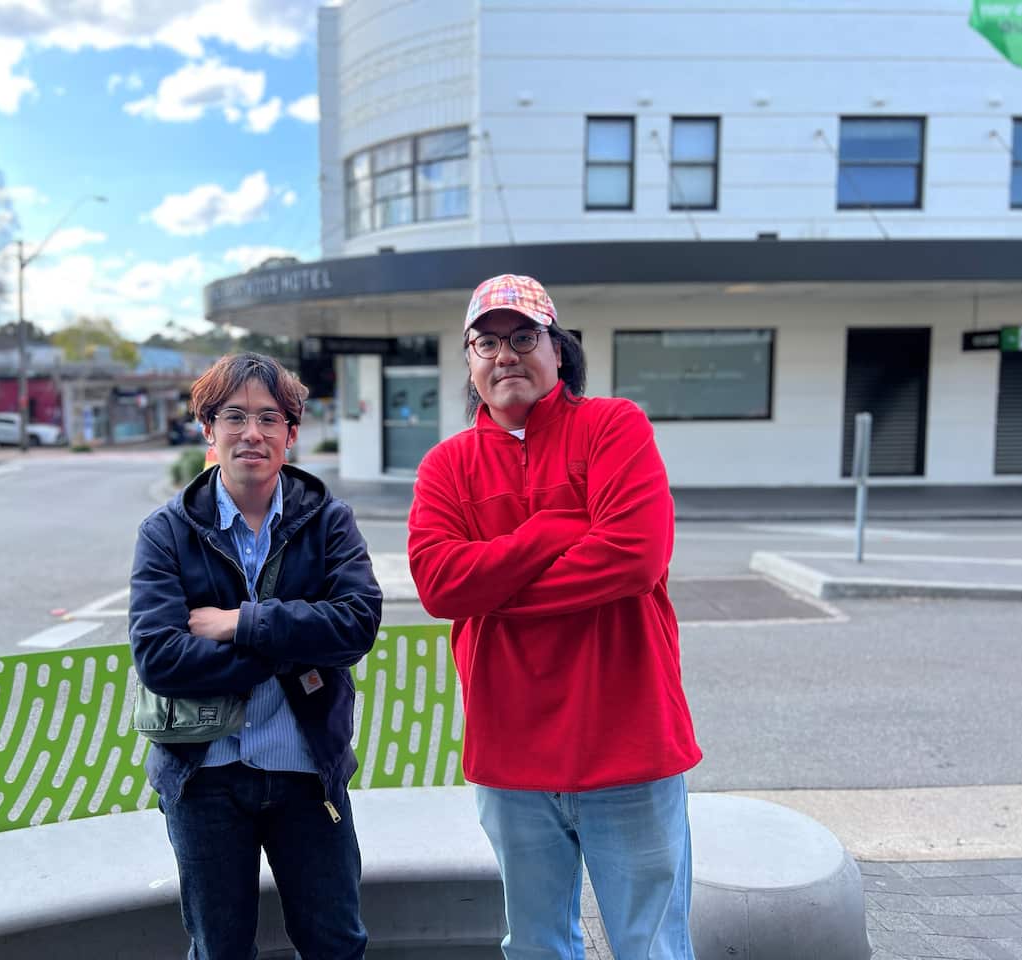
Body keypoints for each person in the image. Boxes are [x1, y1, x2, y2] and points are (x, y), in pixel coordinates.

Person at [407, 274, 702, 960]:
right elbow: (441, 585)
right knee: (537, 947)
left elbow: (633, 555)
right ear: (470, 362)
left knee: (652, 945)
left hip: (631, 745)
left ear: (557, 349)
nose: (504, 354)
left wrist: (497, 592)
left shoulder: (614, 425)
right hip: (512, 757)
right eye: (486, 342)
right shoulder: (446, 466)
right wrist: (553, 530)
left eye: (522, 337)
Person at [129, 352, 382, 960]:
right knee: (220, 948)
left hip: (305, 769)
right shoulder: (167, 530)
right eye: (235, 416)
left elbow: (357, 622)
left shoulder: (327, 521)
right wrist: (289, 642)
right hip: (204, 776)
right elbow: (160, 658)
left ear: (291, 435)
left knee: (336, 942)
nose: (252, 433)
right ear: (207, 429)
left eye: (270, 418)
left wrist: (238, 623)